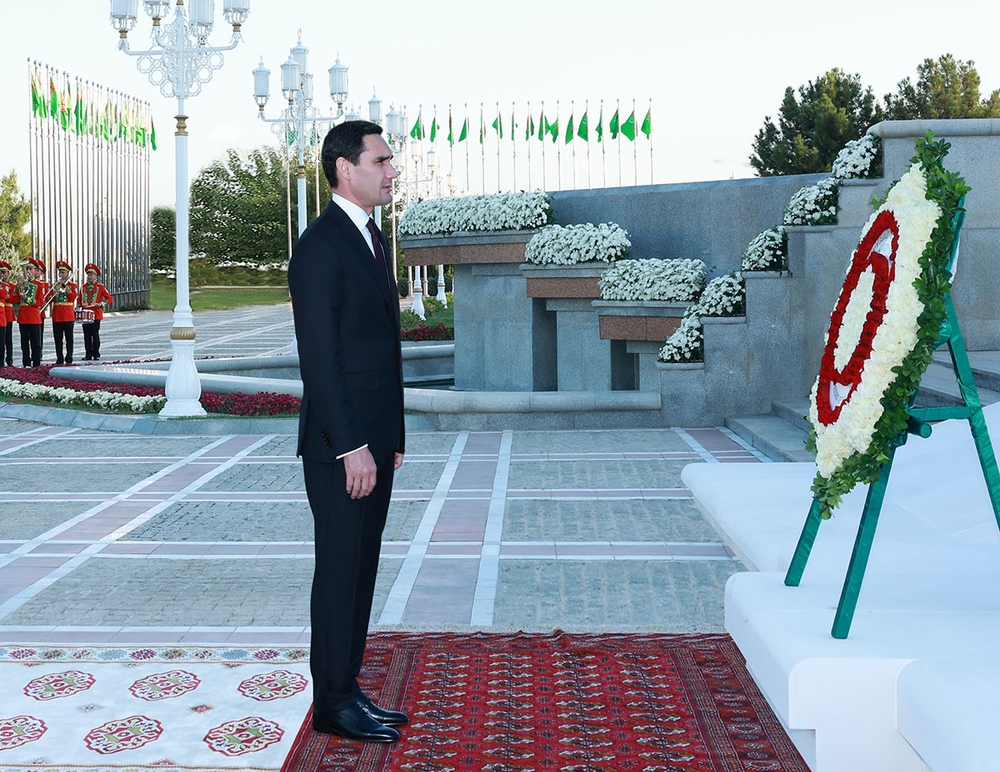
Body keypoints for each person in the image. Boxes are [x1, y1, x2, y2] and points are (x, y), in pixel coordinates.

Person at [287, 120, 406, 744]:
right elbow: (321, 361)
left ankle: (347, 686)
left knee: (362, 569)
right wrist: (353, 445)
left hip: (374, 441)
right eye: (382, 160)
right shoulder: (320, 247)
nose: (392, 170)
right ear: (345, 169)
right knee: (339, 569)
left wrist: (391, 438)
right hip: (342, 448)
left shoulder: (370, 238)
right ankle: (331, 701)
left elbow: (380, 351)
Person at [14, 258, 48, 367]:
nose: (28, 271)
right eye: (27, 269)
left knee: (35, 343)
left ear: (35, 271)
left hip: (33, 316)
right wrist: (16, 288)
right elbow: (14, 300)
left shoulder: (39, 284)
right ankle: (26, 363)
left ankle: (36, 364)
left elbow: (40, 302)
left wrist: (27, 299)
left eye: (30, 269)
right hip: (23, 315)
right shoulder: (21, 283)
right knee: (24, 342)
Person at [77, 263, 112, 360]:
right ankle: (88, 354)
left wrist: (101, 304)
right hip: (85, 314)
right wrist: (78, 307)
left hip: (95, 314)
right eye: (88, 275)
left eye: (91, 275)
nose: (89, 277)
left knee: (95, 334)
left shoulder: (101, 287)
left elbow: (109, 298)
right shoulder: (83, 287)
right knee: (86, 335)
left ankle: (96, 353)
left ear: (96, 276)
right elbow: (80, 300)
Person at [49, 260, 79, 365]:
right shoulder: (55, 285)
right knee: (58, 339)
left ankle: (69, 357)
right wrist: (54, 293)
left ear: (67, 273)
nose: (60, 275)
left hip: (68, 315)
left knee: (69, 339)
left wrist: (65, 288)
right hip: (57, 315)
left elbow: (72, 297)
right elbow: (50, 299)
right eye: (60, 272)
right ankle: (59, 357)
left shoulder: (73, 285)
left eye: (63, 272)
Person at [0, 261, 14, 366]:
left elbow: (10, 298)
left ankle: (9, 360)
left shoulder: (9, 285)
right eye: (1, 272)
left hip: (6, 313)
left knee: (7, 339)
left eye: (4, 272)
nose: (2, 274)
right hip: (3, 312)